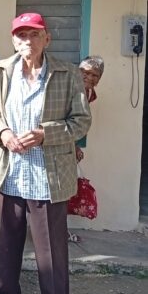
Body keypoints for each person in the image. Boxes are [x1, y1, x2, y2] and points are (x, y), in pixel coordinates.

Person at [0, 12, 91, 294]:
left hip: (49, 176)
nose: (28, 40)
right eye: (22, 35)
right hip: (11, 172)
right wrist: (4, 134)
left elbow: (81, 121)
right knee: (7, 247)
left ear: (47, 39)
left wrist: (45, 134)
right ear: (14, 41)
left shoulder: (67, 74)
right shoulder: (0, 71)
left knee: (51, 252)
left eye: (34, 34)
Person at [68, 55, 104, 243]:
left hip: (67, 146)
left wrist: (74, 145)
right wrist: (73, 145)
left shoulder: (89, 94)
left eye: (94, 75)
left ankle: (56, 232)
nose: (89, 77)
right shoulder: (69, 89)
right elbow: (64, 121)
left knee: (65, 192)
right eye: (85, 72)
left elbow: (78, 121)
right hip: (55, 144)